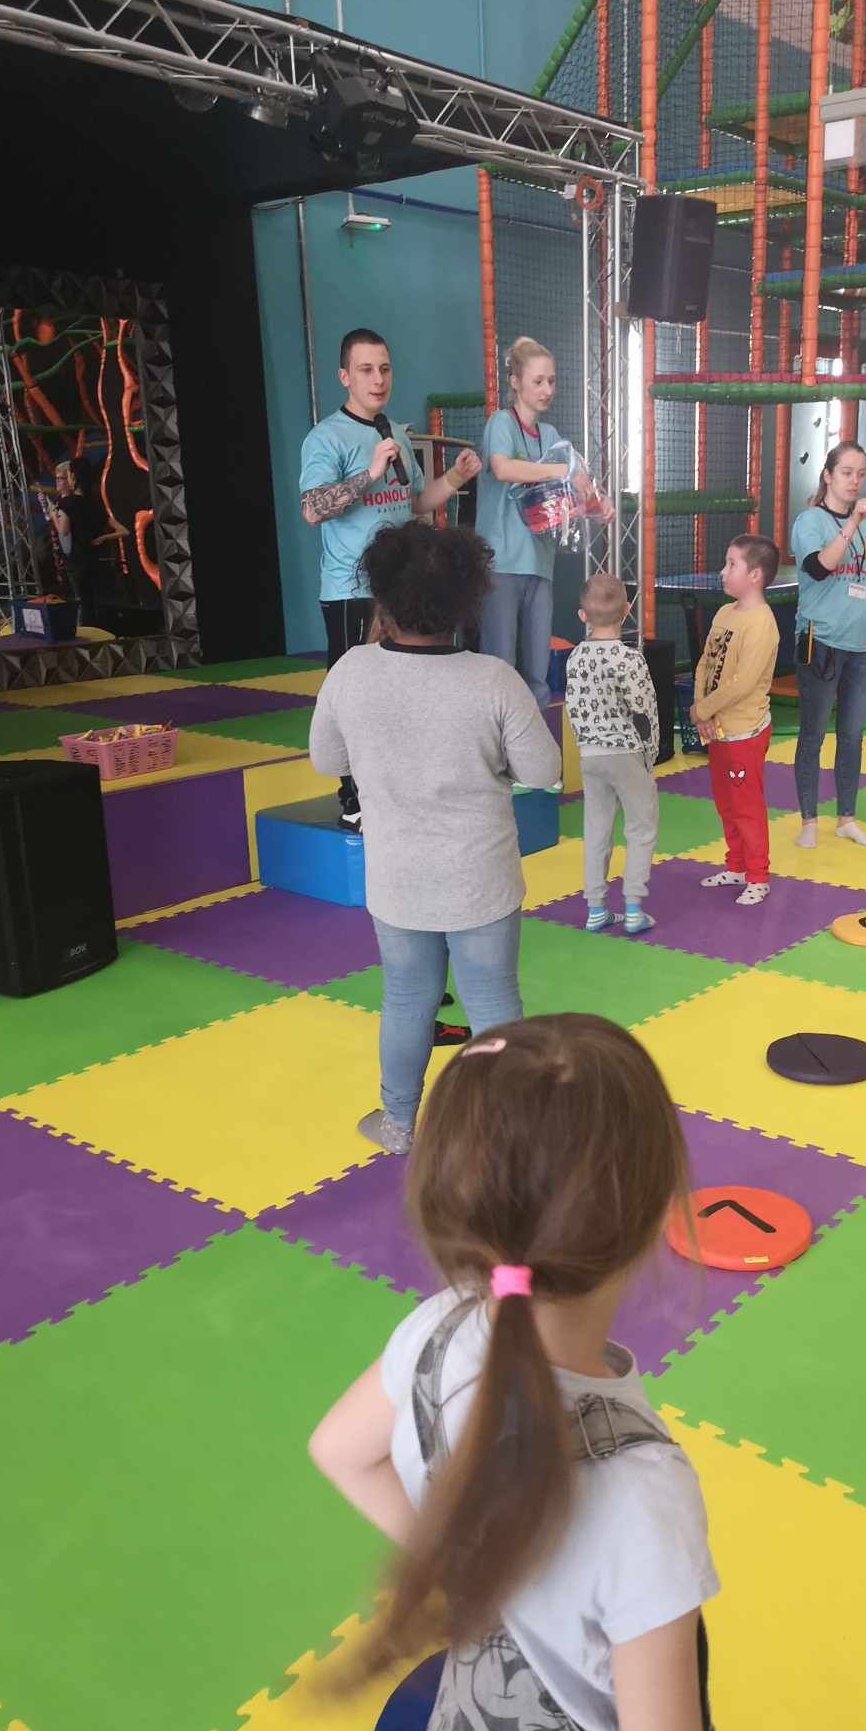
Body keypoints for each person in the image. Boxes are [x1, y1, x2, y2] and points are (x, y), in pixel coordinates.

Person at [308, 1014, 725, 1731]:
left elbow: (340, 1451)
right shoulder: (642, 1489)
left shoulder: (434, 1328)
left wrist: (469, 1572)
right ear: (654, 1216)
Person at [308, 520, 561, 1156]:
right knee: (493, 1002)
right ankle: (510, 1136)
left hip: (398, 878)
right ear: (469, 600)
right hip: (481, 878)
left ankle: (399, 1124)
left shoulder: (351, 672)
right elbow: (544, 771)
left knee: (406, 999)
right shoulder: (494, 678)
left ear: (381, 599)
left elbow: (326, 759)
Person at [300, 327, 481, 827]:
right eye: (365, 369)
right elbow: (312, 509)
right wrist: (368, 474)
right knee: (355, 694)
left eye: (384, 368)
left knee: (404, 693)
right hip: (350, 590)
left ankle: (398, 786)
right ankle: (353, 798)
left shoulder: (395, 433)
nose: (377, 379)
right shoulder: (327, 437)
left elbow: (415, 502)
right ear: (344, 376)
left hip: (400, 589)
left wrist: (455, 478)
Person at [477, 336, 601, 711]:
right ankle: (495, 738)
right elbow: (503, 468)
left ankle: (536, 738)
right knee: (500, 664)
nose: (547, 389)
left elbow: (573, 488)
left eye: (552, 381)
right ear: (515, 381)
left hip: (539, 564)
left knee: (537, 668)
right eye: (538, 381)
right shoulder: (501, 423)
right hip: (501, 563)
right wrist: (563, 471)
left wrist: (596, 501)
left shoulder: (550, 437)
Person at [789, 440, 866, 849]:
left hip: (862, 643)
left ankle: (846, 818)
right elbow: (820, 568)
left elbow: (865, 585)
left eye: (860, 474)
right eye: (846, 472)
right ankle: (808, 820)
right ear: (828, 476)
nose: (855, 481)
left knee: (852, 735)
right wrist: (853, 520)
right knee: (813, 734)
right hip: (821, 640)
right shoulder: (811, 521)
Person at [564, 573, 661, 935]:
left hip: (590, 755)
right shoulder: (629, 659)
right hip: (627, 752)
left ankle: (595, 908)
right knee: (640, 827)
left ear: (582, 615)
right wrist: (650, 758)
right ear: (628, 610)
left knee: (596, 829)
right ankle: (633, 908)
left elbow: (573, 708)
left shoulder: (575, 658)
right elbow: (645, 712)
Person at [692, 535, 781, 907]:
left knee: (746, 806)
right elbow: (705, 663)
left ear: (755, 575)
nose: (723, 571)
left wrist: (704, 710)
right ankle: (737, 865)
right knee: (726, 803)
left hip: (744, 732)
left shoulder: (762, 624)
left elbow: (743, 683)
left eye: (732, 564)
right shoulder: (724, 614)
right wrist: (702, 708)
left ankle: (758, 875)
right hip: (718, 727)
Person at [51, 456, 104, 611]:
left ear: (71, 478)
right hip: (88, 557)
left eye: (61, 478)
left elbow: (63, 530)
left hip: (75, 559)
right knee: (90, 601)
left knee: (80, 601)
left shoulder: (68, 503)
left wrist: (53, 515)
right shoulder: (91, 501)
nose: (57, 482)